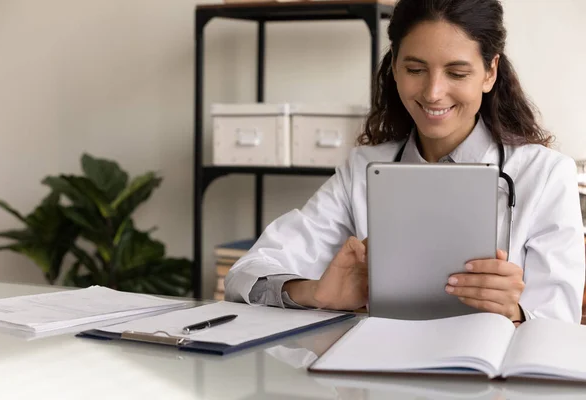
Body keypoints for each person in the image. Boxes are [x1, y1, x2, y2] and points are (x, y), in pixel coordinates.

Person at [225, 0, 585, 324]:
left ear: (490, 73)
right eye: (415, 69)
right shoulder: (363, 169)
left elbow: (561, 320)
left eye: (457, 73)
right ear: (394, 66)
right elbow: (246, 274)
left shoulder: (546, 174)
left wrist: (515, 311)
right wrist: (314, 292)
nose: (433, 92)